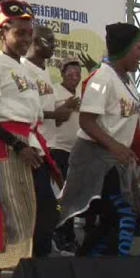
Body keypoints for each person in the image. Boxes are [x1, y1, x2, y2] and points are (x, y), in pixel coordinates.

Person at [0, 0, 60, 278]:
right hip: (8, 144)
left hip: (30, 143)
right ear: (2, 32)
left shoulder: (24, 69)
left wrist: (29, 143)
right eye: (19, 33)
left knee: (43, 210)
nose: (25, 39)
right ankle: (21, 277)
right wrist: (17, 144)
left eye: (28, 33)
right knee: (18, 212)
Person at [58, 23, 140, 257]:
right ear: (124, 48)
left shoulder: (127, 80)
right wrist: (115, 146)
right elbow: (86, 121)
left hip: (114, 157)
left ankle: (89, 264)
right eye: (139, 48)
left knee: (113, 219)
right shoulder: (103, 78)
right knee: (123, 214)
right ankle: (114, 266)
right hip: (95, 156)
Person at [22, 25, 76, 255]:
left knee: (48, 208)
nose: (54, 46)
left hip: (47, 148)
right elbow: (24, 111)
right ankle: (33, 257)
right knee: (45, 207)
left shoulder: (44, 72)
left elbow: (44, 109)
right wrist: (56, 114)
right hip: (31, 148)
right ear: (35, 42)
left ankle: (37, 254)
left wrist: (63, 110)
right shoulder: (23, 70)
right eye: (49, 41)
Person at [48, 60, 83, 254]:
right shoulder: (54, 92)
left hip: (77, 151)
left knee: (73, 195)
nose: (75, 78)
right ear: (62, 74)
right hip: (58, 149)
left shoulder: (82, 94)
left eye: (78, 74)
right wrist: (67, 106)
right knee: (63, 195)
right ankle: (60, 234)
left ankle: (68, 234)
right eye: (71, 74)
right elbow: (52, 122)